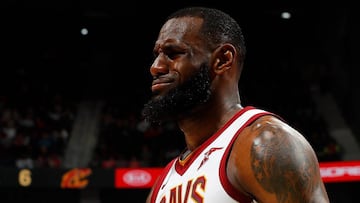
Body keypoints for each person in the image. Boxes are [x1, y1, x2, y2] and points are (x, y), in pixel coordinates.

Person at [142, 6, 330, 203]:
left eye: (174, 53)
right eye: (157, 55)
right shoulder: (163, 183)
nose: (156, 67)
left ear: (223, 59)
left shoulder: (265, 144)